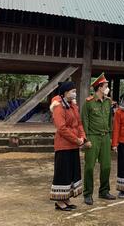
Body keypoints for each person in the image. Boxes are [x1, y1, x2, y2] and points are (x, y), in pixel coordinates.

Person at [81, 73, 116, 205]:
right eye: (106, 85)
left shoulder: (108, 102)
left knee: (106, 166)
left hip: (105, 137)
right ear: (99, 87)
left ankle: (104, 191)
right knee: (89, 166)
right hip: (93, 137)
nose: (108, 88)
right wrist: (86, 139)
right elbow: (84, 121)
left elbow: (109, 121)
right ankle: (88, 194)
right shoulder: (88, 103)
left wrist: (111, 138)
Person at [50, 82, 85, 211]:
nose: (74, 93)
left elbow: (79, 123)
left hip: (74, 145)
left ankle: (66, 198)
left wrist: (82, 137)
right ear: (65, 92)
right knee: (62, 172)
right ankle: (59, 201)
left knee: (71, 172)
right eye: (72, 91)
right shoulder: (59, 107)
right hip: (64, 145)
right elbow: (62, 128)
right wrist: (76, 139)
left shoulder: (73, 106)